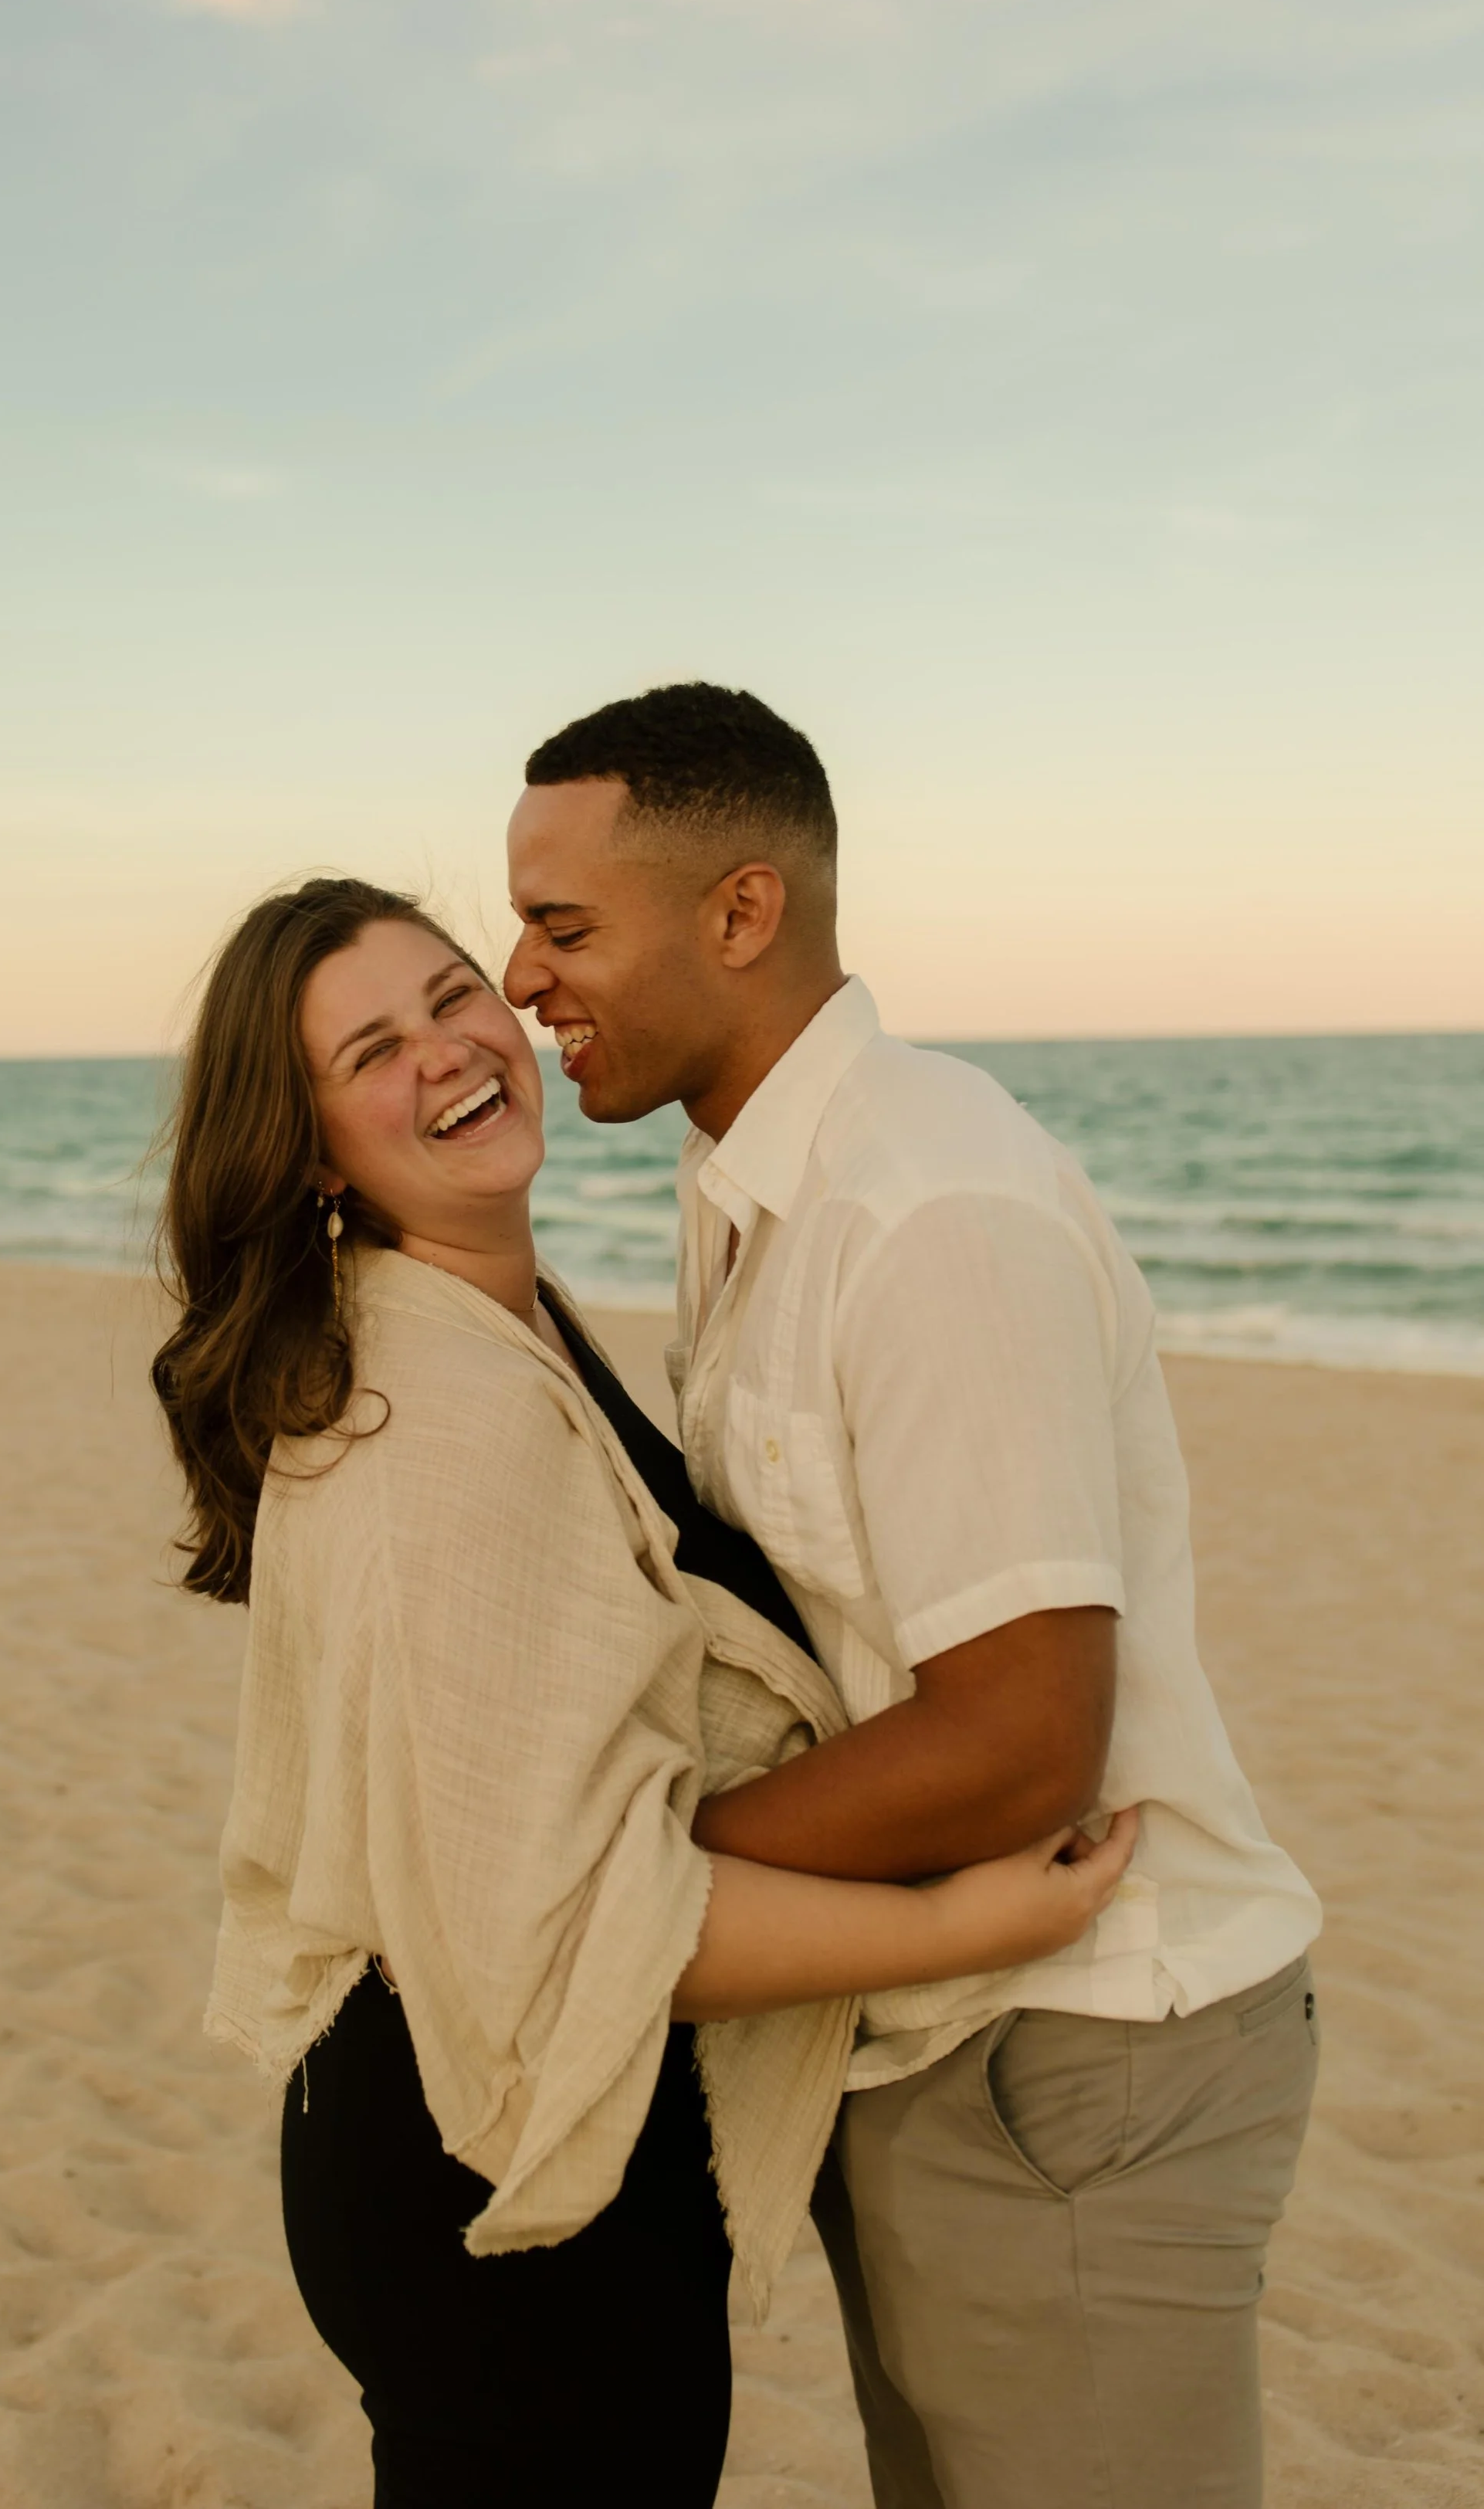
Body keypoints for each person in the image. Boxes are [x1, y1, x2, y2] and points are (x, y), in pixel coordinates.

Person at [154, 876, 1136, 2509]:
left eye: (454, 995)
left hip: (476, 2130)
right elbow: (570, 1928)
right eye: (372, 1048)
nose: (450, 1051)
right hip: (500, 2168)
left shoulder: (492, 1323)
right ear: (314, 1148)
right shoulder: (435, 1419)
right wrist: (967, 1922)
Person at [505, 681, 1323, 2509]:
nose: (518, 978)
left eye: (562, 927)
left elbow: (1022, 1738)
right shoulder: (753, 1180)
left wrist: (658, 1880)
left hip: (1085, 2052)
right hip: (936, 2031)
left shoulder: (924, 1207)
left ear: (739, 912)